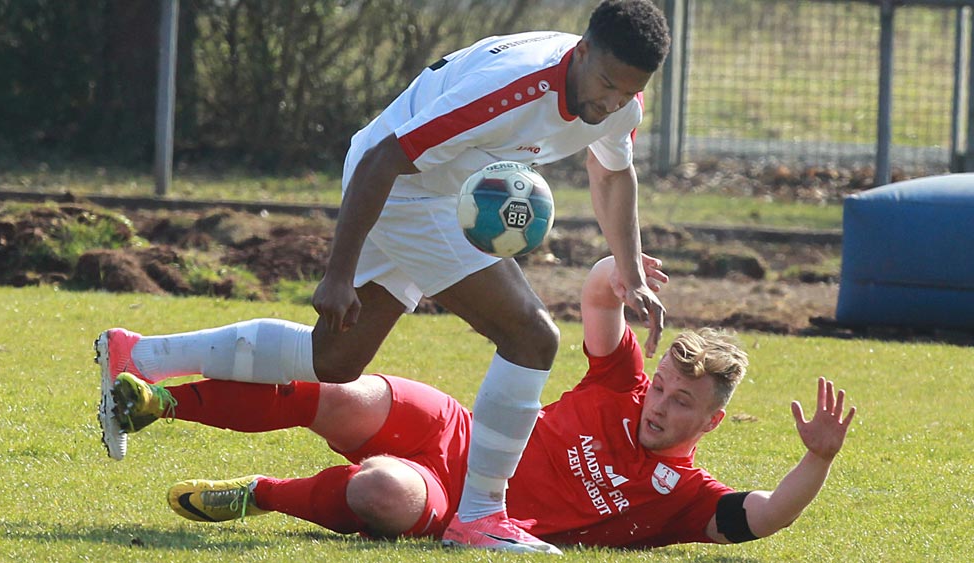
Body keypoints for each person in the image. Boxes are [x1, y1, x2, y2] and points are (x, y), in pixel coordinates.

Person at [96, 0, 673, 553]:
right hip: (400, 188)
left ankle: (139, 356)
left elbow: (612, 174)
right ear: (582, 50)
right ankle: (481, 517)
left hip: (432, 189)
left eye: (627, 91)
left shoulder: (621, 102)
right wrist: (337, 274)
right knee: (531, 337)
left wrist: (631, 272)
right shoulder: (513, 88)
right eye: (606, 83)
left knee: (335, 360)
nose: (612, 101)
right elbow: (384, 159)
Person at [101, 256, 856, 552]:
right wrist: (618, 268)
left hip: (463, 505)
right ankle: (158, 401)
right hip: (457, 428)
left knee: (381, 492)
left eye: (681, 401)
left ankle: (260, 493)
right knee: (336, 391)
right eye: (661, 385)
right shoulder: (621, 382)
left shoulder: (684, 496)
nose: (657, 404)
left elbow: (764, 516)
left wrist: (816, 460)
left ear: (712, 421)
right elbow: (598, 302)